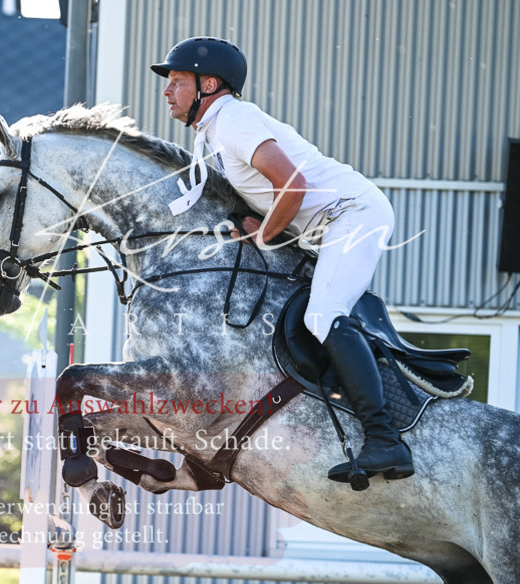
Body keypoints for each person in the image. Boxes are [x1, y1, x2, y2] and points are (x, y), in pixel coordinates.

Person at [151, 36, 414, 483]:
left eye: (176, 80)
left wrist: (266, 235)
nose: (166, 90)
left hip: (351, 215)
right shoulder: (214, 130)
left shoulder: (233, 119)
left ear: (208, 84)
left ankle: (385, 440)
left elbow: (292, 187)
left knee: (323, 315)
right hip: (323, 226)